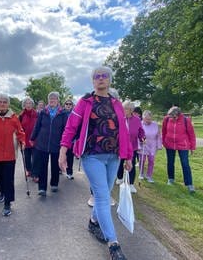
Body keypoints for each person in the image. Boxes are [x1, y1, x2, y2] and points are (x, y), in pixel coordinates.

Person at [58, 66, 132, 260]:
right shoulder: (85, 102)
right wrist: (63, 150)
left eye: (104, 76)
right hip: (92, 155)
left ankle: (93, 222)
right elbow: (71, 127)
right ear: (93, 81)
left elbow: (123, 131)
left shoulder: (117, 104)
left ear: (109, 80)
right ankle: (114, 244)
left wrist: (128, 156)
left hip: (113, 156)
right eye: (97, 76)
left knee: (105, 193)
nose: (100, 79)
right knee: (102, 197)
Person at [31, 91, 68, 196]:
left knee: (55, 165)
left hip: (57, 143)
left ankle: (54, 184)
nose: (52, 100)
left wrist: (65, 142)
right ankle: (42, 188)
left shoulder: (63, 113)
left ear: (58, 101)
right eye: (50, 99)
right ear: (48, 101)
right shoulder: (43, 112)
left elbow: (66, 129)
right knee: (43, 166)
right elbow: (37, 126)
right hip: (42, 143)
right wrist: (32, 138)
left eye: (54, 98)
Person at [161, 106, 196, 193]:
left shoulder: (185, 120)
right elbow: (164, 131)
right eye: (170, 117)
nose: (172, 118)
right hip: (169, 144)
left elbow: (191, 134)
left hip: (183, 145)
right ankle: (171, 179)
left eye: (173, 117)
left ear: (178, 115)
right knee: (170, 162)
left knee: (185, 164)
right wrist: (163, 142)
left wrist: (192, 147)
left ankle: (189, 184)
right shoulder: (166, 119)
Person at [116, 102, 145, 193]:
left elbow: (141, 131)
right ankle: (119, 177)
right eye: (123, 108)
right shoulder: (120, 118)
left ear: (131, 110)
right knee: (120, 163)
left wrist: (142, 138)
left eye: (126, 109)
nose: (124, 110)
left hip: (132, 146)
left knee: (131, 164)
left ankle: (131, 184)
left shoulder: (137, 120)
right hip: (120, 145)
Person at [140, 110, 162, 183]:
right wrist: (140, 140)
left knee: (151, 161)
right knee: (142, 160)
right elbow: (137, 134)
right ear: (143, 118)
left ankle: (149, 175)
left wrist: (159, 145)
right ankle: (141, 173)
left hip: (152, 145)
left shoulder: (155, 125)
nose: (148, 121)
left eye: (150, 119)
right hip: (143, 144)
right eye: (146, 119)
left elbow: (158, 136)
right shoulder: (140, 124)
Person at [19, 97, 38, 181]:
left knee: (35, 157)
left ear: (32, 104)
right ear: (24, 105)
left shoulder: (37, 114)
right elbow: (18, 128)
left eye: (30, 103)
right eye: (27, 103)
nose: (28, 105)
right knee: (27, 157)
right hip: (25, 140)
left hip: (35, 140)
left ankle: (35, 173)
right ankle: (28, 170)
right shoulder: (21, 115)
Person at [63, 98, 75, 180]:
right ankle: (60, 168)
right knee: (61, 155)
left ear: (72, 106)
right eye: (66, 104)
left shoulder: (75, 115)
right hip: (62, 138)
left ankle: (69, 172)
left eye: (70, 104)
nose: (68, 105)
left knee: (70, 156)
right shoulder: (61, 114)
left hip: (72, 139)